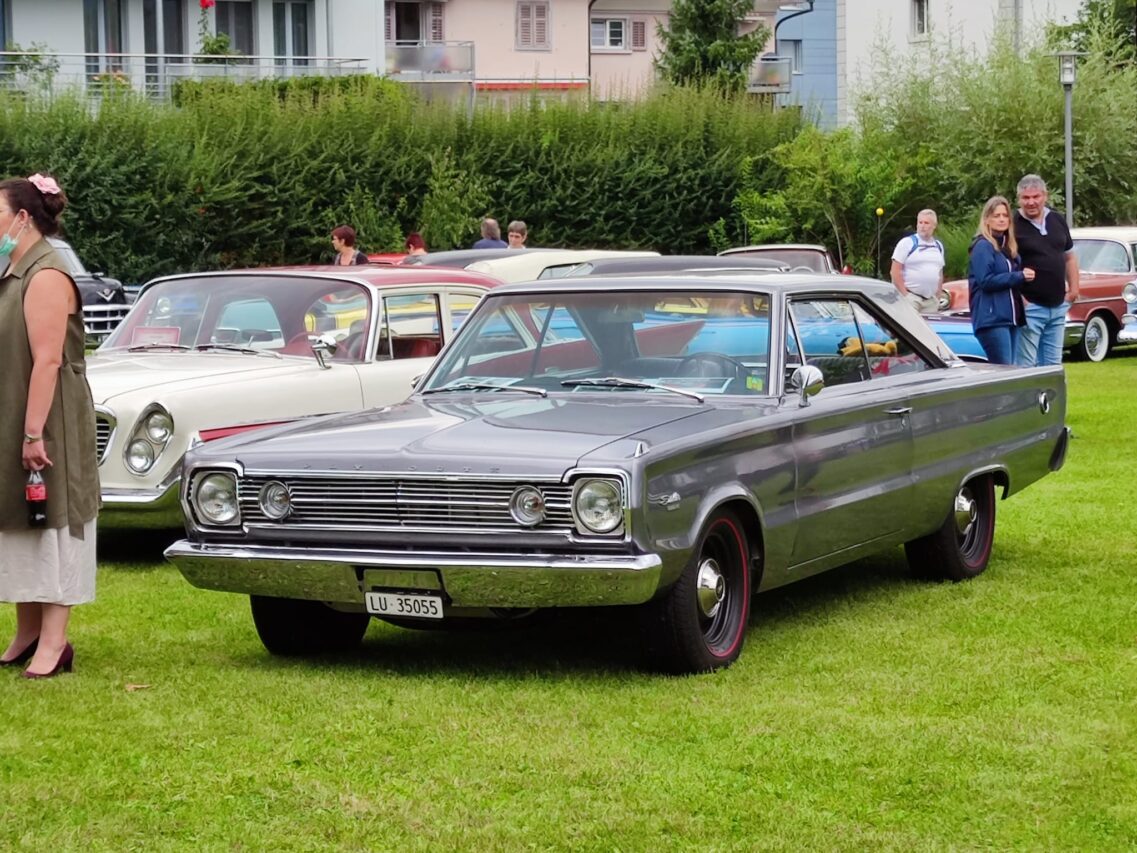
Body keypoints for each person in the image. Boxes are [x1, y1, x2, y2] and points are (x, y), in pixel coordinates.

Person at [0, 173, 98, 679]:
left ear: (22, 219)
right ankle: (28, 630)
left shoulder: (46, 276)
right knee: (20, 521)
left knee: (54, 521)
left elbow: (46, 362)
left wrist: (34, 432)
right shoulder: (12, 270)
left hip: (48, 418)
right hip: (17, 413)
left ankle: (55, 642)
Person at [1012, 174, 1080, 366]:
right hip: (1030, 308)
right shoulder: (1013, 225)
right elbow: (1007, 265)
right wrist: (1022, 301)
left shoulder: (1057, 219)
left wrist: (1074, 290)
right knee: (1025, 366)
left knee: (1053, 367)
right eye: (1026, 198)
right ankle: (1025, 397)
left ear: (1045, 196)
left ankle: (1050, 398)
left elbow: (1070, 256)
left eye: (1036, 197)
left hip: (1058, 306)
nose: (1031, 202)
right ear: (1019, 199)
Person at [968, 196, 1034, 364]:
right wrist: (1018, 276)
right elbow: (986, 281)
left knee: (1011, 371)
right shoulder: (983, 246)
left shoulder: (1008, 247)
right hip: (992, 319)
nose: (1002, 219)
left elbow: (1011, 280)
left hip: (1011, 317)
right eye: (997, 216)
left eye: (1005, 216)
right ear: (987, 219)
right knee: (1003, 370)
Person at [889, 209, 946, 314]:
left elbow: (940, 272)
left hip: (930, 301)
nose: (922, 226)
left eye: (926, 223)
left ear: (934, 225)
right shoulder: (907, 243)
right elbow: (895, 271)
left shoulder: (938, 246)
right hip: (911, 298)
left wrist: (938, 296)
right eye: (920, 222)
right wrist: (905, 295)